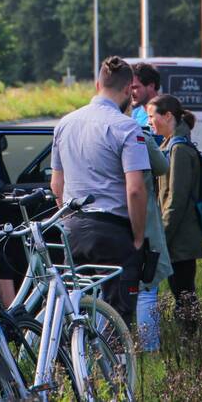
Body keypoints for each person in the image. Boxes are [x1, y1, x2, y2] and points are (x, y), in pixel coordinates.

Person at [50, 56, 149, 323]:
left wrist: (67, 218)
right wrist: (138, 238)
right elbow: (136, 190)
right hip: (112, 231)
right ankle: (117, 362)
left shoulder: (65, 124)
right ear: (128, 90)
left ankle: (70, 360)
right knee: (118, 316)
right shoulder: (128, 128)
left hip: (71, 229)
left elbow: (56, 185)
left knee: (74, 309)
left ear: (97, 84)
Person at [149, 94, 202, 334]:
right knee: (181, 293)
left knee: (184, 294)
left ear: (168, 116)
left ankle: (192, 343)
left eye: (152, 116)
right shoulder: (170, 143)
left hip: (180, 238)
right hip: (176, 236)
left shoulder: (179, 148)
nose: (150, 122)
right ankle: (190, 339)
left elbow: (176, 198)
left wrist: (163, 235)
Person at [129, 64, 172, 351]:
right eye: (129, 87)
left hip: (112, 217)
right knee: (145, 290)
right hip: (138, 216)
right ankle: (148, 350)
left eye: (137, 87)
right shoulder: (135, 122)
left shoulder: (154, 114)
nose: (133, 93)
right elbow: (159, 165)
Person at [129, 61, 161, 129]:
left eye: (135, 87)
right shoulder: (135, 114)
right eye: (129, 88)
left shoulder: (167, 114)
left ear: (151, 86)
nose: (130, 92)